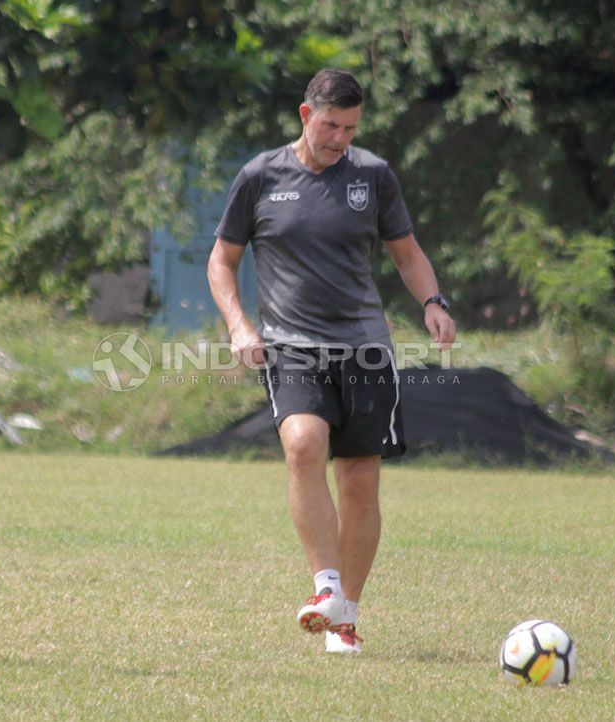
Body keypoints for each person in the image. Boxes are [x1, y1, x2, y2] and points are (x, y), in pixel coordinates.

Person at [207, 69, 456, 654]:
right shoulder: (260, 177)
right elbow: (222, 262)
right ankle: (325, 588)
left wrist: (433, 302)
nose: (340, 138)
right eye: (330, 125)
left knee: (360, 481)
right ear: (304, 115)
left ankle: (345, 619)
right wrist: (240, 325)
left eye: (350, 128)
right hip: (291, 343)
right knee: (301, 444)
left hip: (365, 346)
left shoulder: (373, 177)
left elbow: (407, 253)